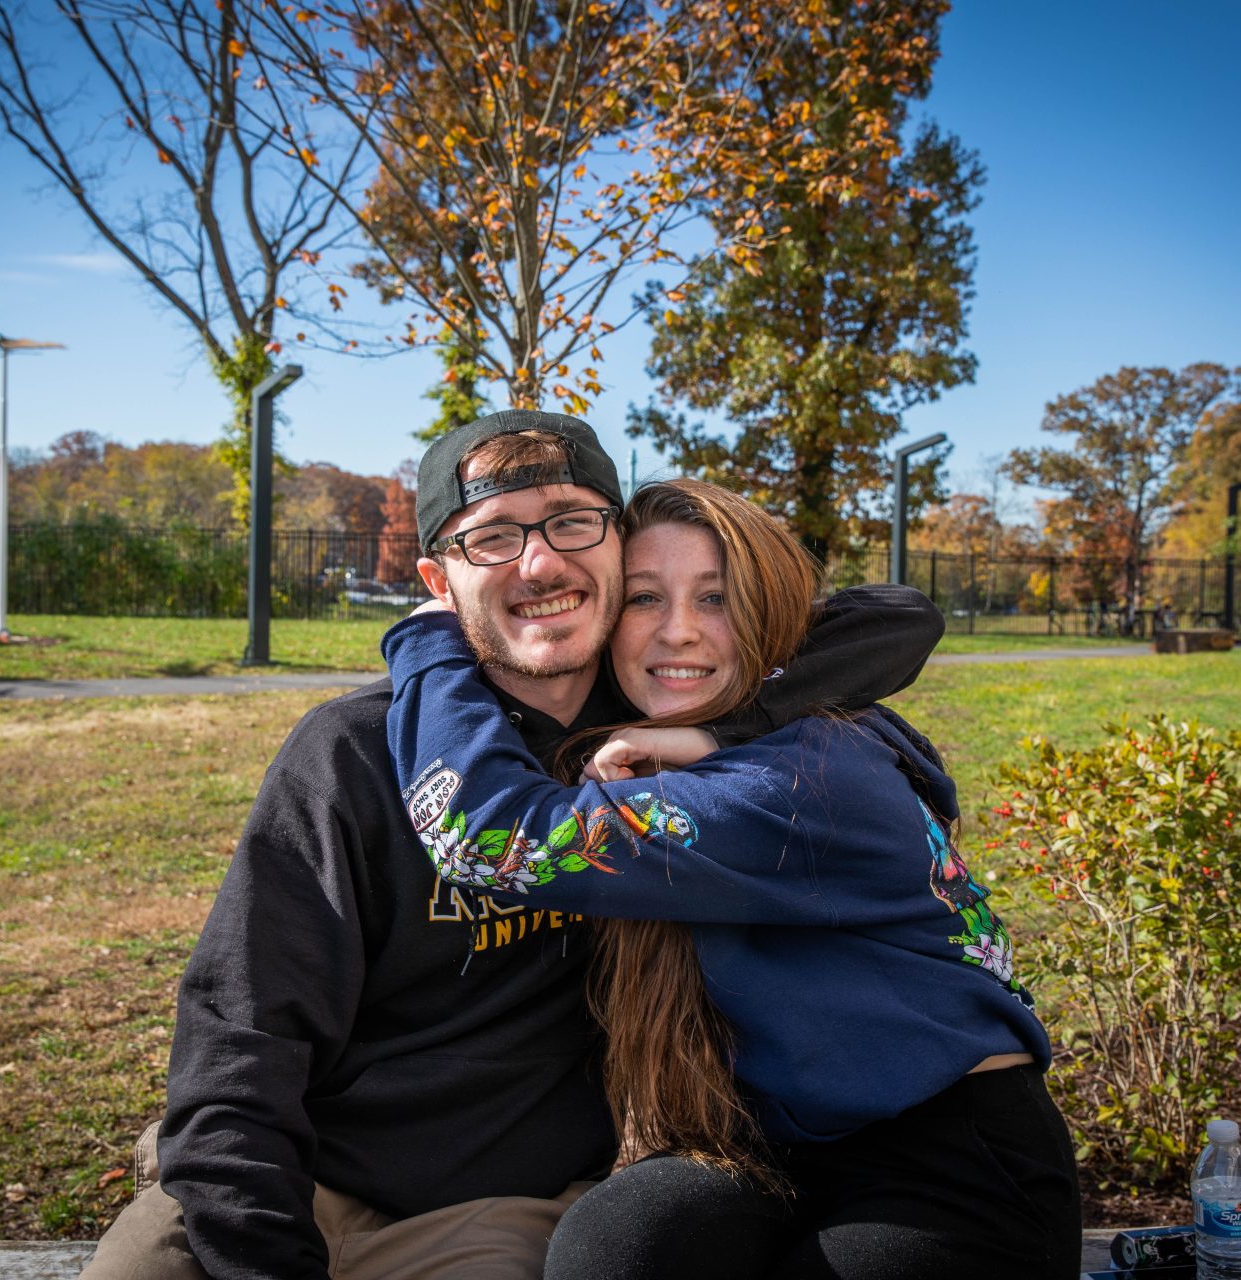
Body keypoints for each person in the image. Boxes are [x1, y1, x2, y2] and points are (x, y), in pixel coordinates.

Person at [82, 412, 946, 1280]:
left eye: (572, 521)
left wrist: (728, 731)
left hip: (496, 1215)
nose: (539, 563)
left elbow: (895, 621)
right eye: (490, 537)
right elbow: (242, 1033)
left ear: (619, 544)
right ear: (438, 580)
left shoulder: (670, 707)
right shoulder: (352, 750)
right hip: (290, 1178)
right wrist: (255, 1241)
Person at [381, 478, 1082, 1280]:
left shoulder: (801, 777)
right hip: (778, 1152)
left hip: (952, 1158)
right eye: (644, 599)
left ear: (768, 619)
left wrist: (428, 639)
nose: (679, 632)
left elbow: (493, 839)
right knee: (620, 1247)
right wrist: (715, 728)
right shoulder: (723, 743)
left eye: (716, 599)